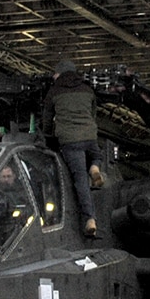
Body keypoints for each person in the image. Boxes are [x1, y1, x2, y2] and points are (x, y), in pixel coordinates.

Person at [45, 61, 104, 239]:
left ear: (59, 74)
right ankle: (94, 168)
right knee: (96, 155)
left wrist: (48, 136)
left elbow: (47, 119)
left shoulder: (54, 91)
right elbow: (93, 114)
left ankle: (90, 219)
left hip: (70, 141)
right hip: (89, 136)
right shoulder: (87, 89)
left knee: (80, 180)